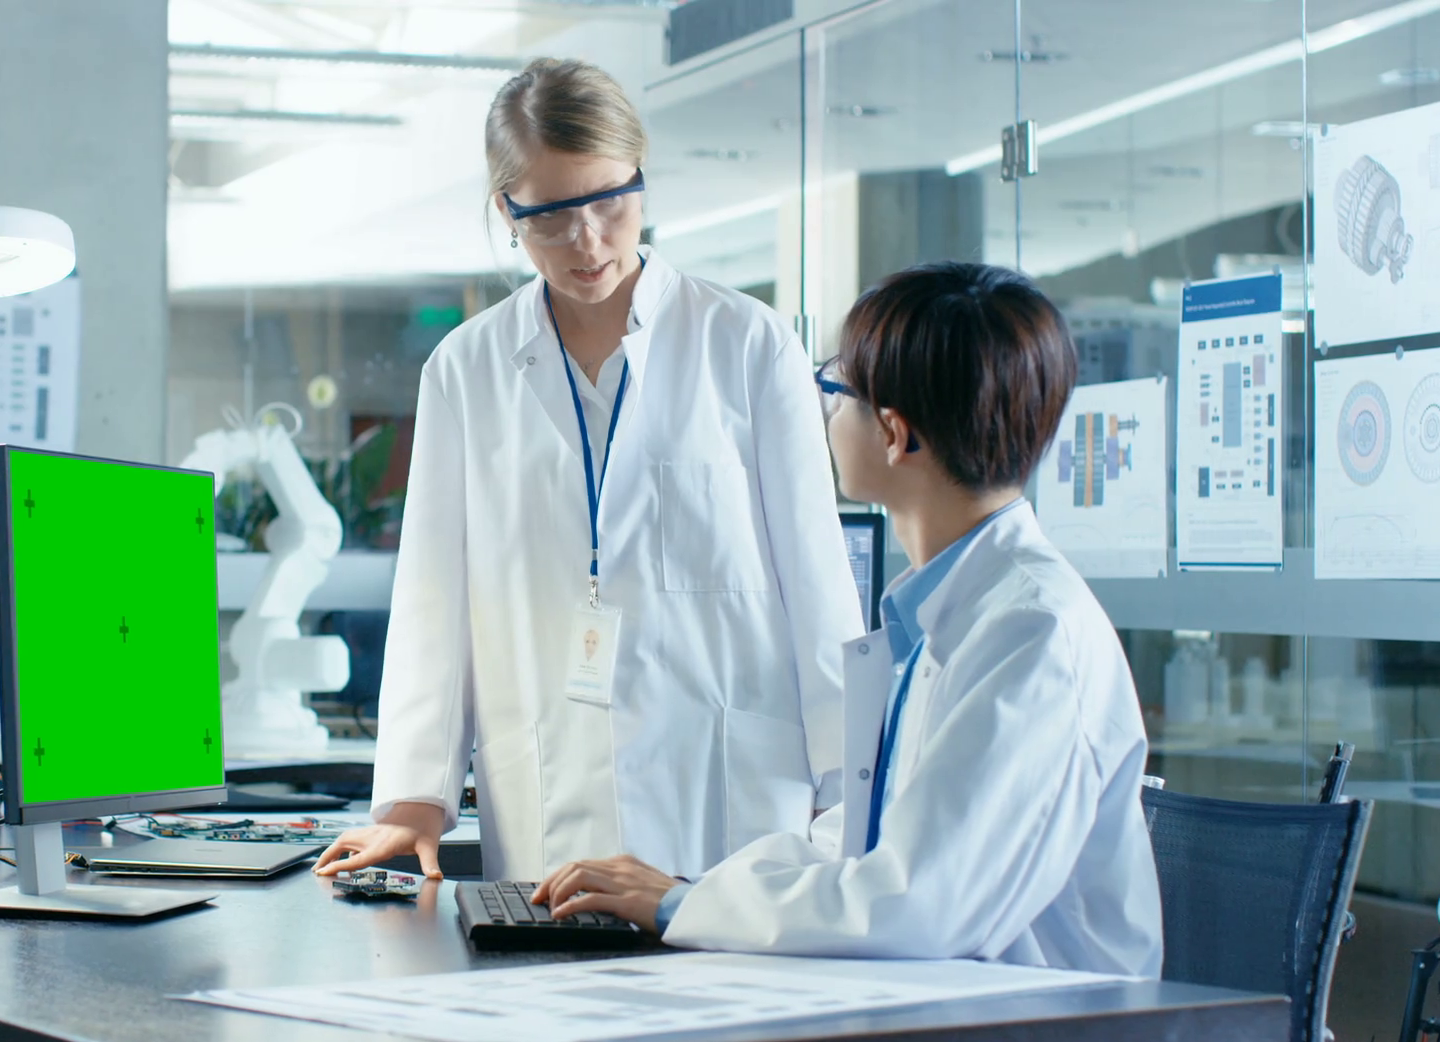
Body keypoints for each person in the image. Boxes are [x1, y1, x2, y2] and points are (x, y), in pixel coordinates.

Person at [313, 58, 862, 883]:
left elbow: (819, 588)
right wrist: (413, 800)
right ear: (508, 209)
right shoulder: (465, 370)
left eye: (610, 201)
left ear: (641, 175)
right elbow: (434, 601)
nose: (589, 240)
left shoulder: (748, 344)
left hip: (734, 806)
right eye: (552, 216)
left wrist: (847, 793)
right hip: (554, 800)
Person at [532, 262, 1164, 978]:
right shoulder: (951, 613)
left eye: (837, 392)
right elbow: (861, 845)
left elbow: (917, 903)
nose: (826, 413)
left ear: (895, 434)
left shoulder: (1034, 633)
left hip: (1032, 1020)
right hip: (937, 996)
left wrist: (680, 904)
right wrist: (686, 892)